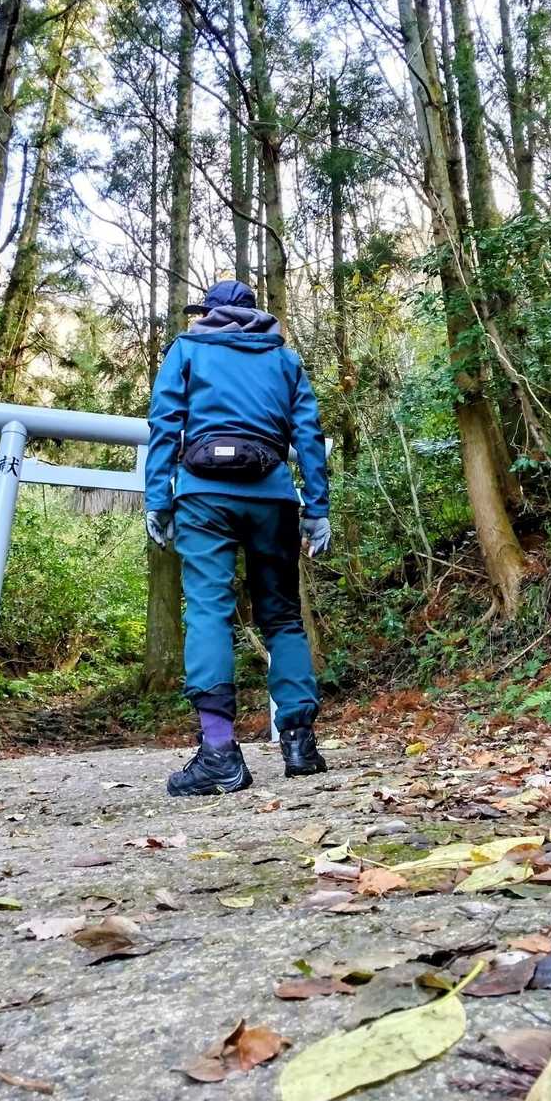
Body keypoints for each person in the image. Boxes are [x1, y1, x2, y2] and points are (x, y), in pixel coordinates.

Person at [145, 278, 331, 796]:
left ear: (209, 313)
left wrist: (158, 498)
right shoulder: (283, 358)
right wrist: (317, 508)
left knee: (209, 611)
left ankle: (220, 753)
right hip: (273, 497)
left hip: (203, 496)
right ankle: (299, 745)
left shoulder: (187, 350)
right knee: (282, 616)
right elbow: (309, 434)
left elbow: (164, 426)